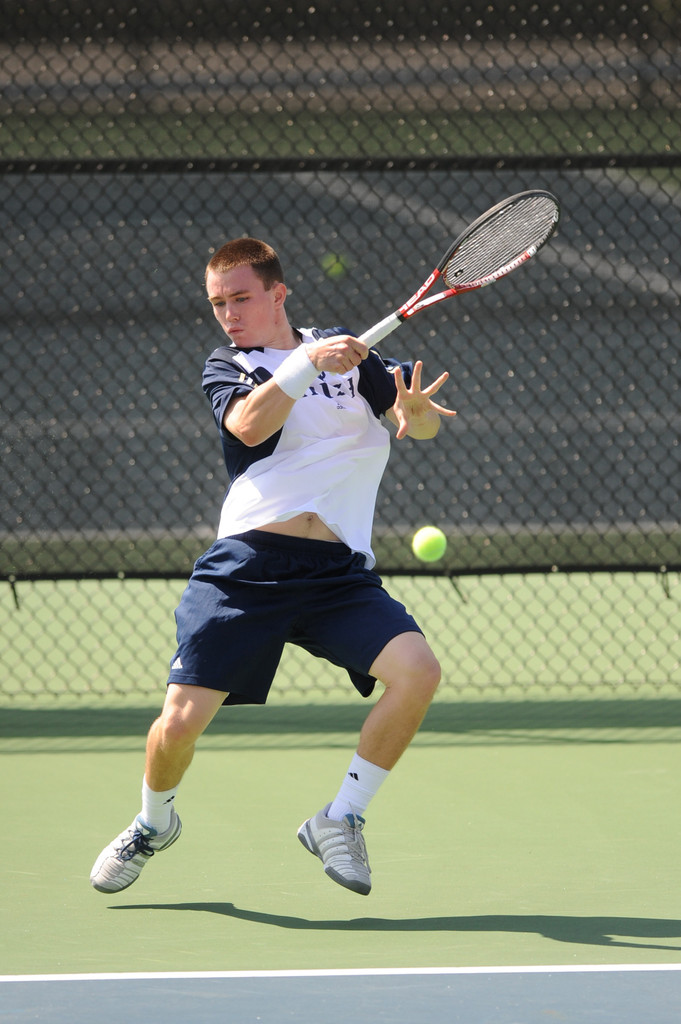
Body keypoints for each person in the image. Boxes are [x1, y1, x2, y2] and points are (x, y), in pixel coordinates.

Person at [90, 237, 456, 897]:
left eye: (241, 297)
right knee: (177, 724)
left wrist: (418, 415)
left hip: (337, 573)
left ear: (277, 293)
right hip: (247, 568)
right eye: (218, 302)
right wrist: (303, 363)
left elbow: (411, 418)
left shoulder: (351, 355)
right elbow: (251, 427)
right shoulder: (227, 364)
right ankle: (153, 823)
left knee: (418, 672)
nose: (229, 313)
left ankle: (340, 819)